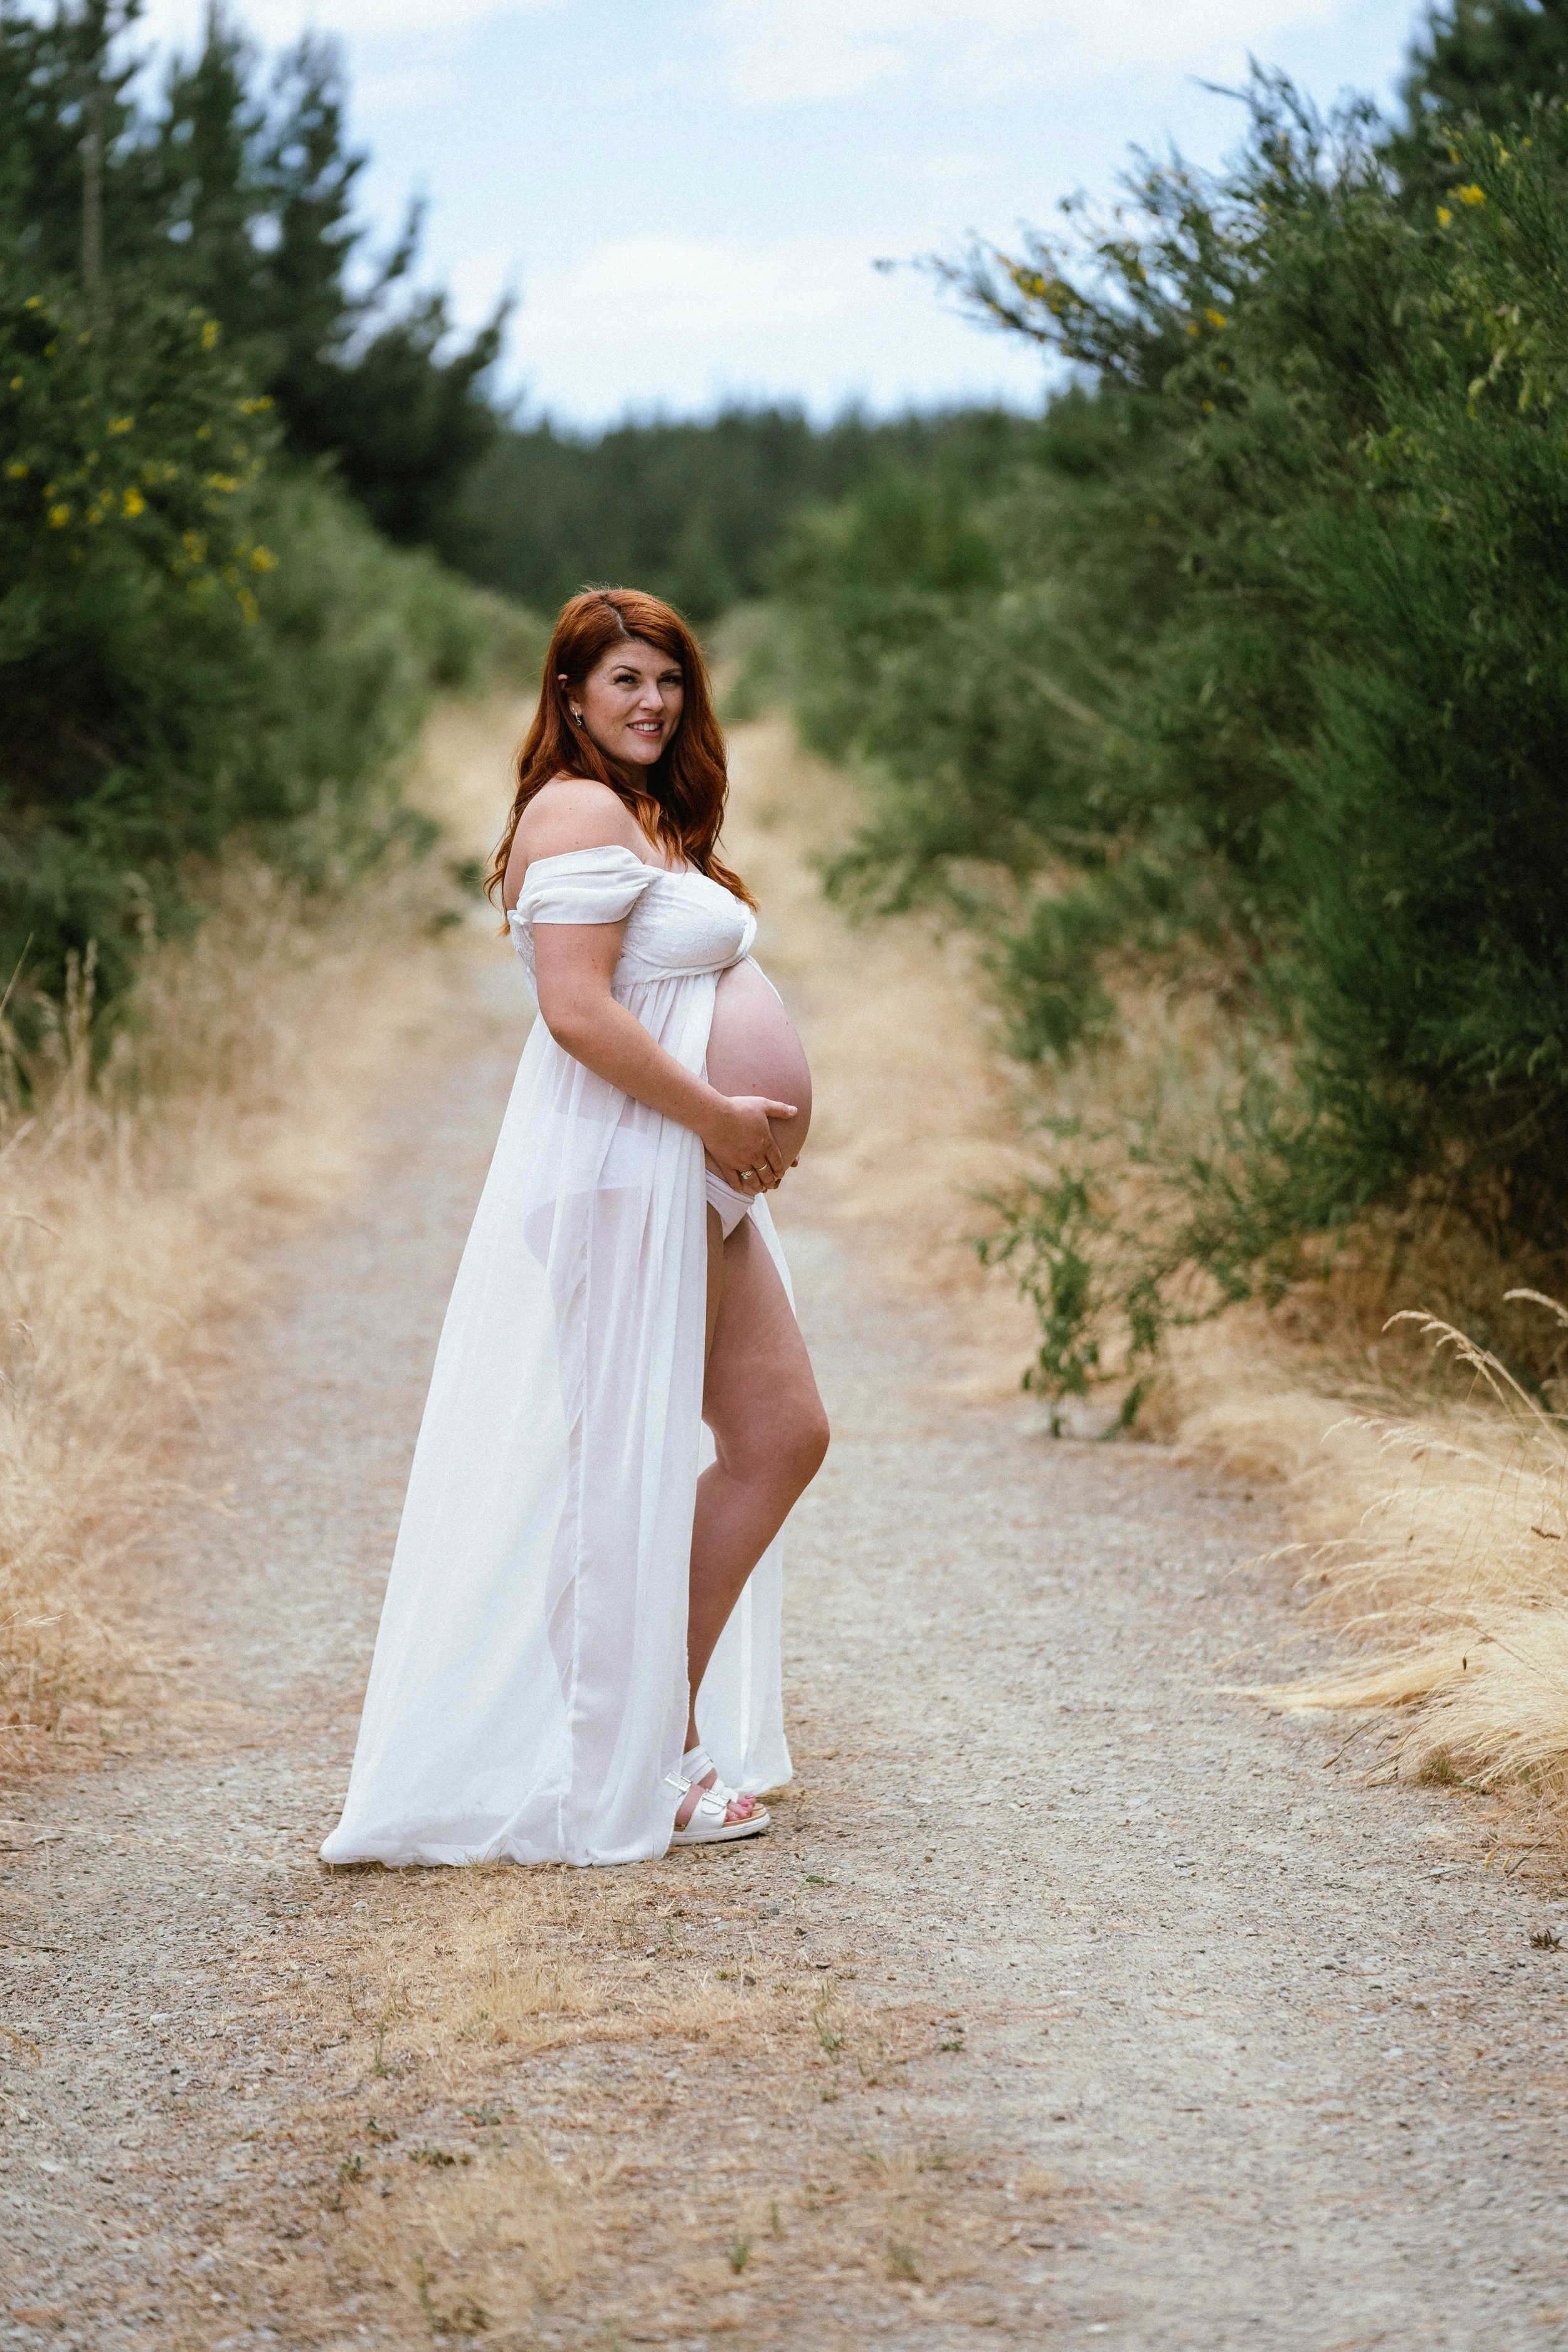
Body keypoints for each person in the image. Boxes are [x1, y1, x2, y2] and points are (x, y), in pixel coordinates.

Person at [320, 588, 829, 1868]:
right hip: (622, 1175)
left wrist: (719, 1140)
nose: (651, 702)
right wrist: (719, 1113)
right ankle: (628, 1760)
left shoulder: (643, 811)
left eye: (666, 679)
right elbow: (577, 1012)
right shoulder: (576, 810)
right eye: (623, 683)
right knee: (616, 1473)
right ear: (567, 697)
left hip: (682, 1182)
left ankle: (660, 1725)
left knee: (779, 1437)